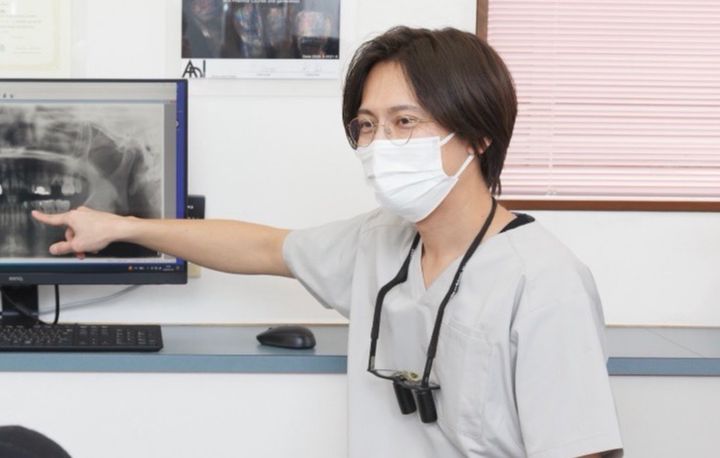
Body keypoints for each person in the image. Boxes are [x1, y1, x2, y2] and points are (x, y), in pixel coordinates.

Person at [32, 27, 623, 457]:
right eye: (367, 125)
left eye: (404, 122)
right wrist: (124, 227)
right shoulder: (381, 242)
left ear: (478, 135)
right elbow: (263, 248)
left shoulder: (543, 283)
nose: (379, 144)